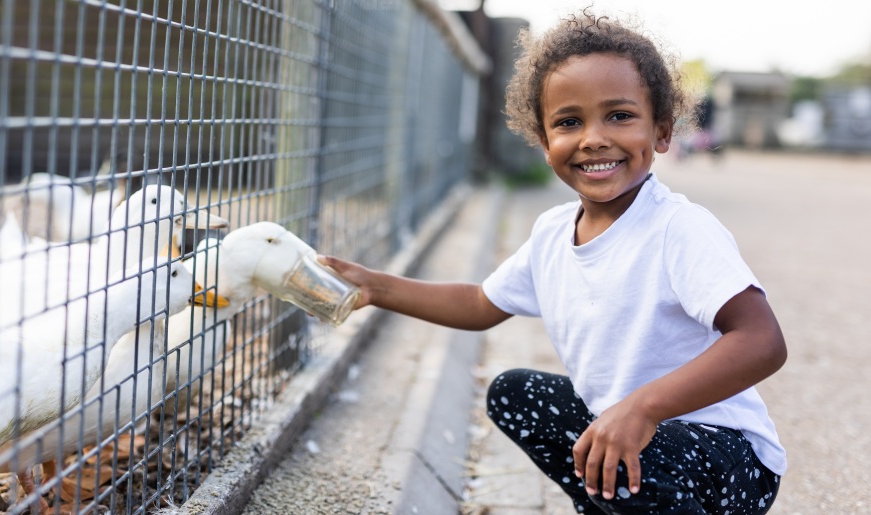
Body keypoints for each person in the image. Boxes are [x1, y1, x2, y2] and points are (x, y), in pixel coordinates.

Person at [319, 10, 786, 514]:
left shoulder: (678, 229)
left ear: (663, 132)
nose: (592, 138)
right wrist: (377, 288)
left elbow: (762, 342)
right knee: (514, 394)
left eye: (620, 116)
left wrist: (645, 407)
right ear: (545, 144)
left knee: (630, 449)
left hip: (728, 459)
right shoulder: (551, 234)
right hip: (633, 438)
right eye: (568, 122)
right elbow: (480, 303)